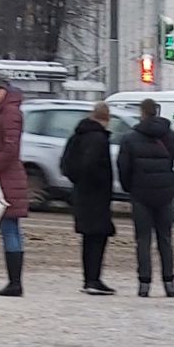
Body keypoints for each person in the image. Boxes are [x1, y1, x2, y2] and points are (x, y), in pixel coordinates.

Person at [117, 98, 174, 298]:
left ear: (142, 113)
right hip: (165, 193)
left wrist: (129, 187)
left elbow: (123, 167)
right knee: (165, 239)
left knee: (143, 240)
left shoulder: (130, 138)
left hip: (140, 194)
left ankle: (144, 283)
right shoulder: (173, 138)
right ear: (157, 112)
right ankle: (169, 283)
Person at [61, 102, 117, 296]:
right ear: (106, 119)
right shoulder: (98, 139)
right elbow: (91, 165)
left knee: (89, 237)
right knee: (97, 238)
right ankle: (93, 279)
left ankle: (89, 279)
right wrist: (99, 182)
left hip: (81, 194)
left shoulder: (77, 136)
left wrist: (78, 180)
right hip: (96, 195)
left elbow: (65, 165)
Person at [0, 79, 29, 297]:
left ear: (7, 90)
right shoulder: (2, 112)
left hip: (7, 177)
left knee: (9, 228)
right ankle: (14, 281)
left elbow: (11, 148)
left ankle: (15, 283)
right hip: (4, 177)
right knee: (10, 228)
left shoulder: (9, 113)